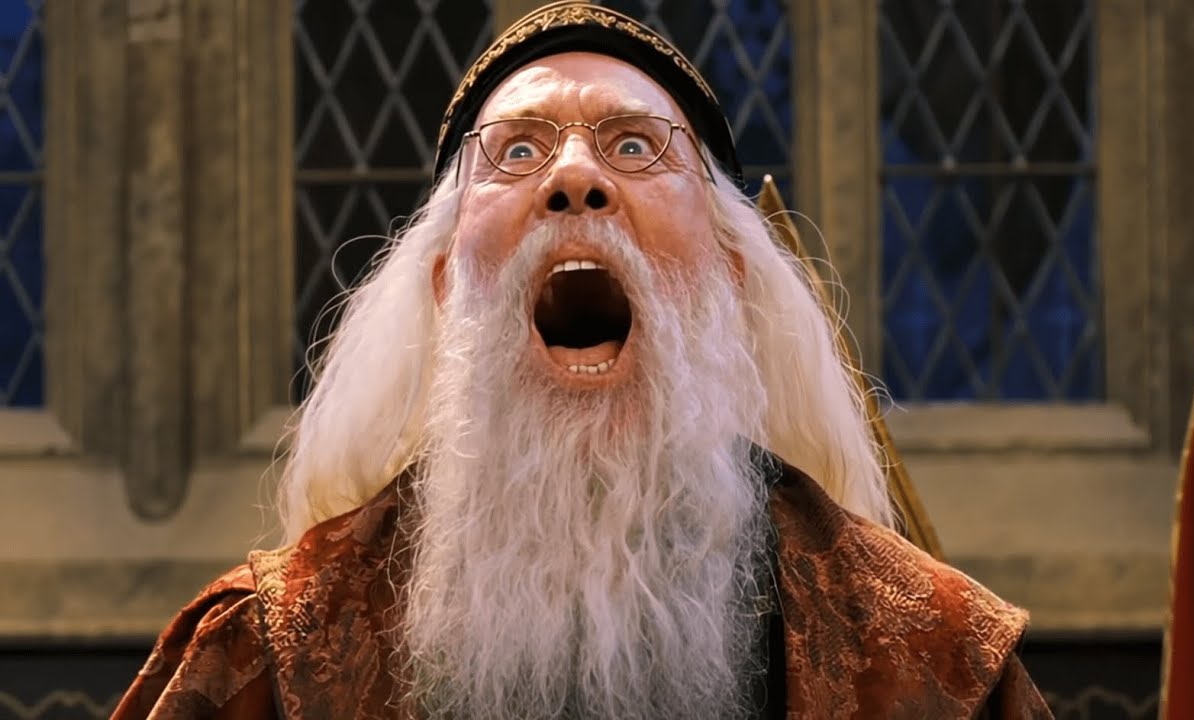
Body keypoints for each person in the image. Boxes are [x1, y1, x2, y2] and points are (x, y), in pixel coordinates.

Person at [113, 3, 1051, 718]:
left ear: (729, 279)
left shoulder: (931, 656)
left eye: (635, 145)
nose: (573, 177)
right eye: (516, 150)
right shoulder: (270, 656)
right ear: (445, 286)